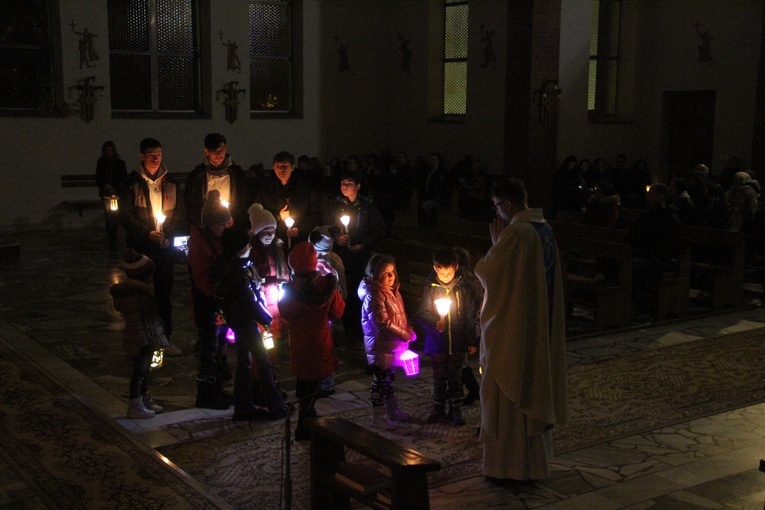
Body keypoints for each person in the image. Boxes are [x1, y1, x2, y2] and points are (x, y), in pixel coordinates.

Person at [474, 177, 567, 483]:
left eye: (497, 206)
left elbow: (490, 273)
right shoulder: (544, 229)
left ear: (508, 203)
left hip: (515, 330)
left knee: (511, 387)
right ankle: (533, 464)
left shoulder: (517, 233)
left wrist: (496, 244)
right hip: (535, 325)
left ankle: (508, 467)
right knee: (533, 383)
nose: (497, 212)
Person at [216, 227, 287, 421]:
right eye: (246, 244)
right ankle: (276, 405)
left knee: (244, 362)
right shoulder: (238, 273)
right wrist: (266, 318)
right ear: (238, 248)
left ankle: (243, 406)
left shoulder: (240, 266)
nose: (249, 247)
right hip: (245, 322)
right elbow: (250, 300)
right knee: (263, 361)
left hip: (241, 321)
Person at [120, 137, 182, 356]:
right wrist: (147, 233)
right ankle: (144, 339)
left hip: (164, 249)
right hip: (142, 248)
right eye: (151, 155)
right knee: (142, 295)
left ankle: (166, 337)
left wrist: (168, 235)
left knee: (164, 293)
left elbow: (178, 215)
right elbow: (125, 216)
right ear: (142, 157)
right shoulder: (132, 183)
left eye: (159, 154)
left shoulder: (171, 183)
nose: (156, 159)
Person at [278, 242, 345, 440]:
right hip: (320, 340)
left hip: (300, 342)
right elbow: (338, 311)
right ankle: (304, 422)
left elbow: (285, 313)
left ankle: (306, 415)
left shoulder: (291, 290)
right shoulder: (326, 286)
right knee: (314, 382)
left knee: (304, 379)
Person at [415, 247, 479, 426]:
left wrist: (471, 340)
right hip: (437, 343)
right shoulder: (431, 288)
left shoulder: (463, 288)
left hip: (458, 342)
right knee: (439, 376)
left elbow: (470, 315)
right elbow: (422, 313)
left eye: (449, 272)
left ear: (456, 267)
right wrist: (434, 323)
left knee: (456, 377)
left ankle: (455, 409)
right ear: (435, 268)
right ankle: (437, 408)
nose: (445, 276)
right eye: (442, 272)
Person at [358, 253, 417, 431]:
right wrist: (403, 334)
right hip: (380, 346)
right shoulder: (374, 295)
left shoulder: (392, 292)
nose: (391, 277)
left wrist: (409, 330)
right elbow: (382, 323)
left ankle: (392, 410)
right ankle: (378, 416)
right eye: (386, 273)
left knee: (389, 379)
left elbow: (400, 316)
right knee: (380, 381)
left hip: (393, 345)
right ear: (375, 273)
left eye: (392, 272)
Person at [325, 169, 386, 338]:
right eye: (342, 183)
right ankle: (346, 328)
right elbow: (327, 226)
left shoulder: (367, 207)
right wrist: (337, 238)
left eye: (349, 183)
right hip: (342, 257)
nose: (344, 187)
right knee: (344, 291)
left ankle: (360, 330)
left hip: (361, 258)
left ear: (358, 186)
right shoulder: (336, 205)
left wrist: (363, 244)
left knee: (359, 292)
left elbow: (379, 230)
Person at [187, 190, 233, 410]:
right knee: (208, 349)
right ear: (210, 224)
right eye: (221, 225)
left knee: (215, 348)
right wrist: (220, 289)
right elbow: (203, 280)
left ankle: (216, 390)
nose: (224, 229)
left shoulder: (211, 239)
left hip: (216, 303)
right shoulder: (199, 244)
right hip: (206, 304)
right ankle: (206, 394)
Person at [110, 249, 169, 419]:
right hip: (140, 339)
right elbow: (136, 322)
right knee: (139, 372)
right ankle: (135, 404)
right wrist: (143, 342)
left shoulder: (143, 292)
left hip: (147, 336)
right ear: (144, 276)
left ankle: (144, 398)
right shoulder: (135, 296)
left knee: (144, 371)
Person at [251, 151, 323, 252]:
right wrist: (278, 216)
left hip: (300, 242)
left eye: (284, 166)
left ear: (292, 167)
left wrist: (300, 229)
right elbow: (256, 213)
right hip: (274, 241)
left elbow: (315, 214)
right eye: (277, 166)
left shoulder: (304, 189)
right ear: (273, 168)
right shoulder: (266, 190)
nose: (281, 169)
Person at [185, 133, 251, 231]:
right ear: (206, 152)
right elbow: (191, 205)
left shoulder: (237, 175)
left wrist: (235, 219)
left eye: (221, 150)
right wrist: (204, 222)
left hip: (232, 228)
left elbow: (244, 202)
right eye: (214, 151)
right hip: (206, 230)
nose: (219, 154)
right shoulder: (197, 176)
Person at [309, 225, 347, 396]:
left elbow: (341, 284)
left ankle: (326, 383)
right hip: (319, 308)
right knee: (321, 346)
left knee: (327, 345)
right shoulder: (312, 260)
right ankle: (320, 381)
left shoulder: (332, 260)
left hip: (329, 307)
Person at [453, 246, 482, 406]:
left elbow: (470, 310)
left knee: (459, 360)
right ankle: (471, 389)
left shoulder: (463, 281)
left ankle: (471, 390)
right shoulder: (472, 277)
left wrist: (470, 337)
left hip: (467, 325)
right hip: (473, 324)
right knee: (460, 359)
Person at [95, 141, 128, 251]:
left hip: (117, 194)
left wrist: (115, 188)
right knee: (109, 217)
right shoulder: (101, 163)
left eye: (110, 150)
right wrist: (105, 186)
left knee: (117, 216)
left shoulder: (119, 163)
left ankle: (115, 235)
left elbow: (123, 178)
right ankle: (111, 239)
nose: (109, 152)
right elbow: (98, 178)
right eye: (107, 150)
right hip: (106, 194)